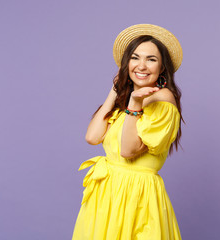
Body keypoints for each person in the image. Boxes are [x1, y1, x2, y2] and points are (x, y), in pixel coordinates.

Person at [72, 24, 184, 240]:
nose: (141, 66)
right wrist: (115, 92)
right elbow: (92, 137)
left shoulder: (163, 99)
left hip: (137, 196)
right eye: (135, 58)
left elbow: (128, 151)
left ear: (162, 68)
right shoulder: (129, 98)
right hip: (107, 193)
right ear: (126, 64)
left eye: (151, 59)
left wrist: (134, 104)